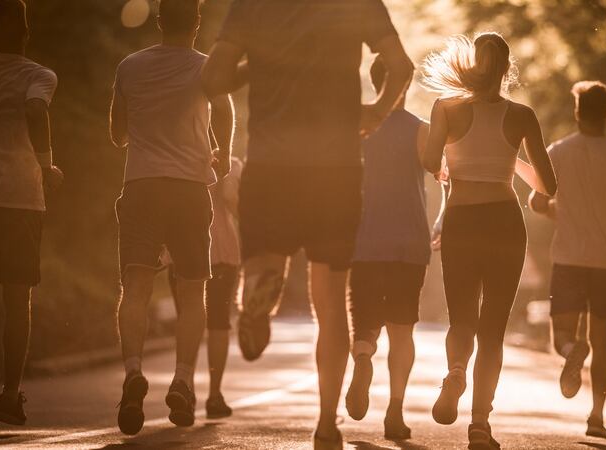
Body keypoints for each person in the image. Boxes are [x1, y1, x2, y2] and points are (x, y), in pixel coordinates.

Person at [201, 1, 414, 447]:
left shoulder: (250, 8)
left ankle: (256, 307)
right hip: (335, 170)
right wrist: (375, 113)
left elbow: (213, 80)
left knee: (265, 266)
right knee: (331, 300)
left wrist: (255, 66)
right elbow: (401, 66)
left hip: (271, 166)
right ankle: (326, 423)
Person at [420, 33, 557, 449]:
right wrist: (509, 158)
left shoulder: (446, 107)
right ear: (506, 69)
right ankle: (480, 425)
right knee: (493, 329)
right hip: (504, 222)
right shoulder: (522, 115)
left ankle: (456, 371)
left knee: (461, 317)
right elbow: (548, 186)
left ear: (472, 65)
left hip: (462, 219)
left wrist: (453, 161)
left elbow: (430, 162)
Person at [109, 0, 233, 435]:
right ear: (196, 23)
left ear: (159, 20)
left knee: (136, 284)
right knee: (192, 286)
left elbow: (117, 133)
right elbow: (226, 109)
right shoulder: (206, 67)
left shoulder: (129, 66)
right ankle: (182, 379)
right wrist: (223, 155)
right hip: (189, 189)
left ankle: (133, 371)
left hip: (141, 185)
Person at [529, 81, 606, 438]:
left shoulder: (557, 152)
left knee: (562, 336)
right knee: (603, 340)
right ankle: (597, 417)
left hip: (569, 258)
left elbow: (537, 202)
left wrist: (561, 213)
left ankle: (571, 350)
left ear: (577, 112)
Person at [0, 0, 62, 426]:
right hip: (21, 196)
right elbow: (36, 109)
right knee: (17, 297)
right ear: (25, 32)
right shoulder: (38, 74)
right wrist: (47, 164)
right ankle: (8, 394)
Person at [344, 56, 430, 440]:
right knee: (402, 330)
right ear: (405, 85)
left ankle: (363, 357)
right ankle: (395, 411)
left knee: (364, 321)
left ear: (373, 81)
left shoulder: (355, 123)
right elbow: (442, 173)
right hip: (408, 242)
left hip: (363, 240)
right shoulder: (420, 129)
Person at [166, 156, 243, 419]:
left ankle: (185, 389)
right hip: (221, 252)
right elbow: (232, 198)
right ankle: (214, 396)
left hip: (183, 252)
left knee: (188, 320)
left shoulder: (179, 157)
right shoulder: (230, 162)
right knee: (219, 324)